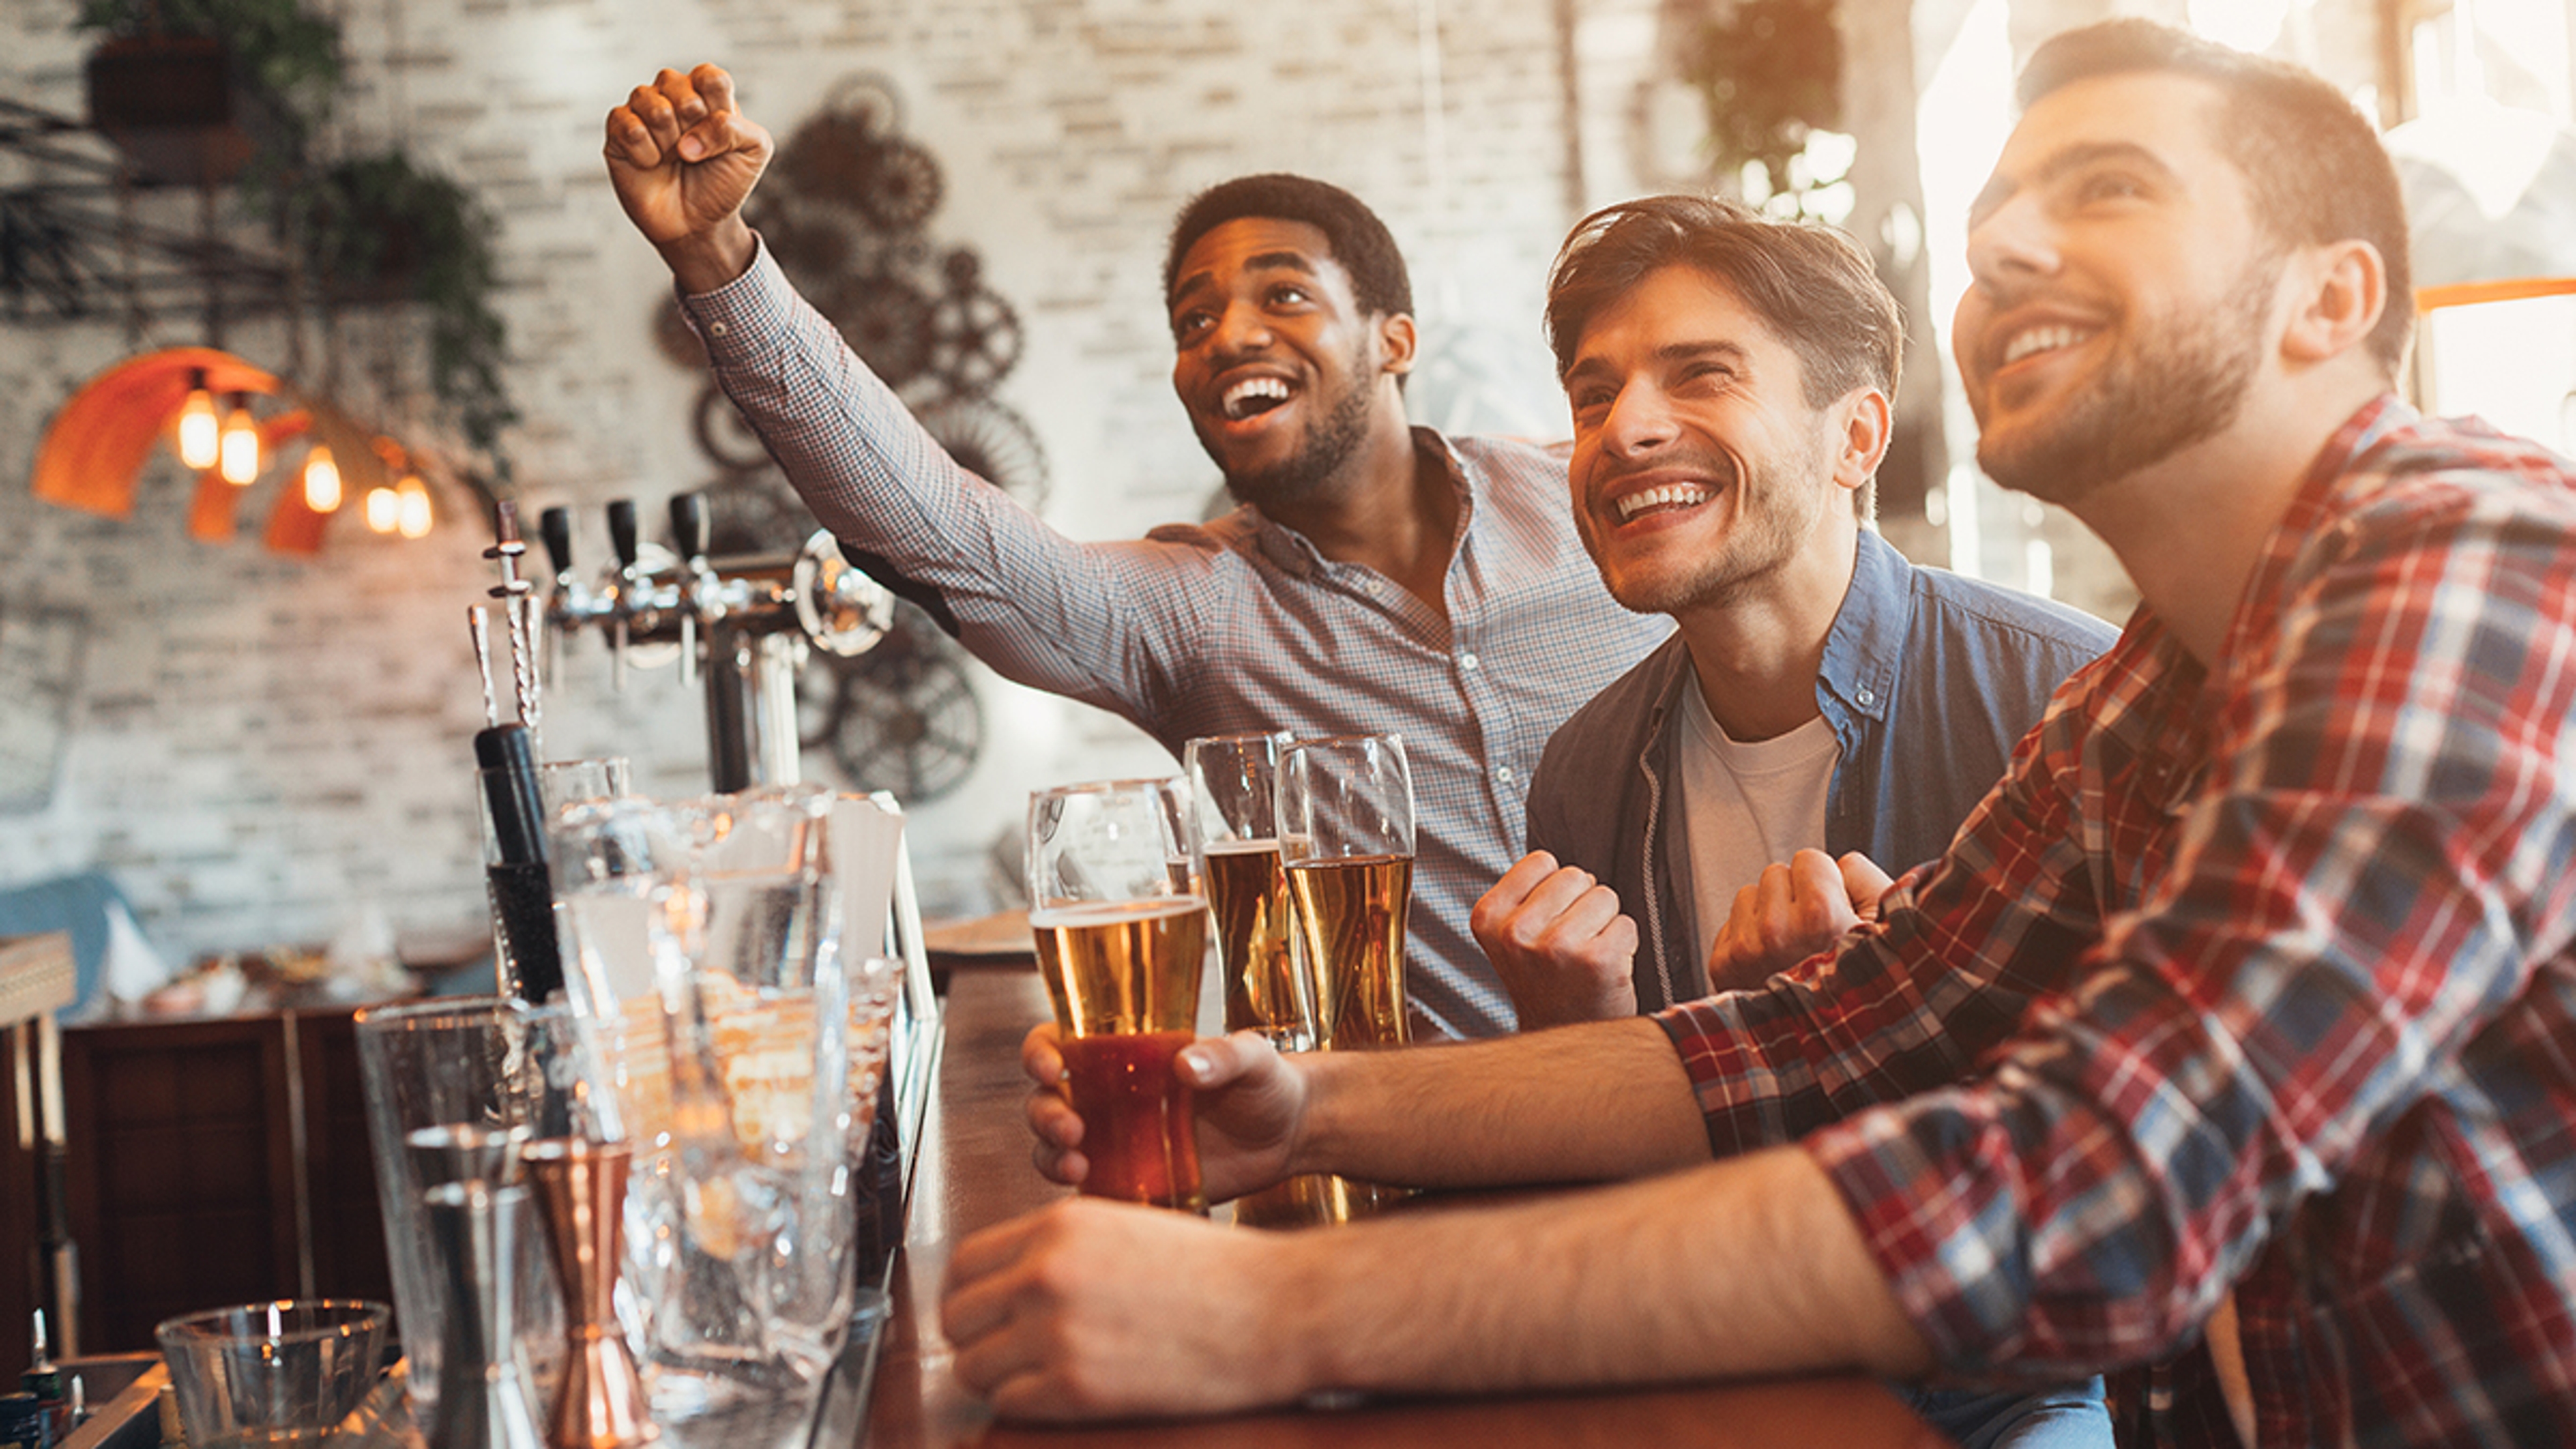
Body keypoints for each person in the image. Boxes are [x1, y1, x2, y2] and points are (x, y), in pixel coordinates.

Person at [950, 20, 2576, 1445]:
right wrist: (1299, 1110)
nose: (2002, 241)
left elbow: (2092, 1177)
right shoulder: (2149, 687)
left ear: (2329, 297)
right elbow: (1816, 1039)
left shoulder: (2470, 565)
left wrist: (1263, 1316)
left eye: (2106, 189)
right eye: (1998, 206)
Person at [601, 72, 1670, 1040]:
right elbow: (939, 529)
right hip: (1418, 1175)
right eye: (1194, 320)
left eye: (1284, 295)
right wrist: (717, 260)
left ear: (1395, 339)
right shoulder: (1197, 612)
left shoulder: (1586, 501)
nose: (1229, 336)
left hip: (1711, 1106)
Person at [1468, 195, 2113, 1030]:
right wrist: (1578, 1044)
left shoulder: (2068, 699)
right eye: (1594, 397)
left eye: (1702, 373)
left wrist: (1839, 1025)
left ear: (1855, 440)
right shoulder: (1584, 777)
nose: (1623, 429)